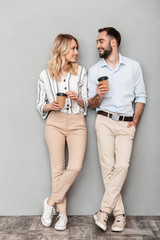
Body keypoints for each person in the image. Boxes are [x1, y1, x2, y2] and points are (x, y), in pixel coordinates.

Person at [88, 27, 146, 232]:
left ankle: (104, 212)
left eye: (100, 41)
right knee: (108, 167)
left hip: (126, 123)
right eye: (97, 42)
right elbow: (92, 105)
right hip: (103, 120)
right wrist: (98, 96)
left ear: (113, 42)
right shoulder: (95, 70)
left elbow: (141, 96)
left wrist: (136, 121)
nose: (97, 45)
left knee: (121, 166)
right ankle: (119, 215)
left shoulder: (133, 66)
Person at [36, 34, 87, 231]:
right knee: (57, 170)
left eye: (77, 48)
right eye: (73, 48)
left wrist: (78, 99)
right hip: (54, 122)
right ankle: (62, 214)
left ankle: (50, 202)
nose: (76, 52)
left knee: (75, 166)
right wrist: (50, 105)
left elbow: (86, 103)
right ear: (62, 49)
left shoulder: (81, 72)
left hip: (76, 122)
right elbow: (40, 104)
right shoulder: (44, 75)